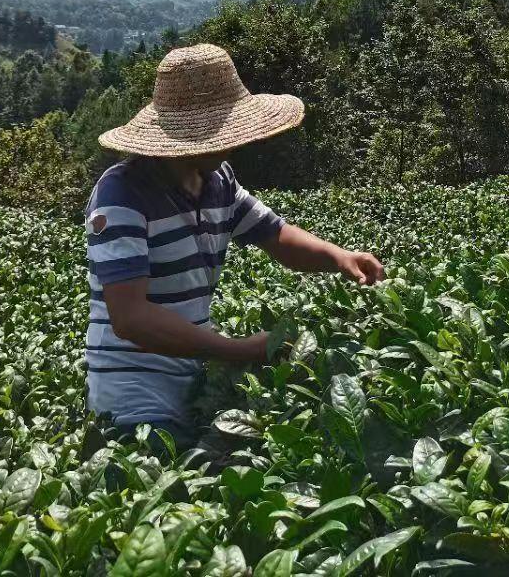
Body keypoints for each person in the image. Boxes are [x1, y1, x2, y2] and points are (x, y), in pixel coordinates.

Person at [84, 43, 385, 449]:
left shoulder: (218, 180)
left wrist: (340, 257)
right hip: (135, 398)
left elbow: (275, 234)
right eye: (218, 134)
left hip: (194, 377)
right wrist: (234, 350)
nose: (230, 145)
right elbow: (130, 317)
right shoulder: (122, 193)